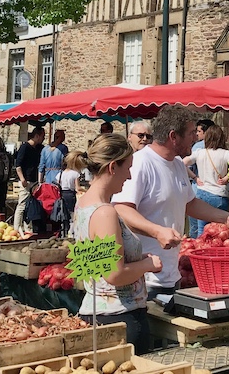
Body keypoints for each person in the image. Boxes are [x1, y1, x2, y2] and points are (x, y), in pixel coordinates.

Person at [113, 105, 229, 296]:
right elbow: (122, 209)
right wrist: (157, 232)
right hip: (144, 279)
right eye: (191, 132)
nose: (195, 137)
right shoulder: (140, 163)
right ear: (173, 136)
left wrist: (225, 217)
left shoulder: (177, 164)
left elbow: (190, 203)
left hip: (170, 275)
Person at [72, 134, 162, 354]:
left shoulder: (83, 204)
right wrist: (148, 264)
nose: (130, 175)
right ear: (113, 167)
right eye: (127, 168)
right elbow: (114, 274)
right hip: (120, 320)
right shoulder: (105, 213)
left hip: (96, 313)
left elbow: (94, 265)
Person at [182, 126, 229, 237]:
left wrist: (194, 177)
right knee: (221, 231)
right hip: (220, 195)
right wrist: (227, 178)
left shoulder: (199, 153)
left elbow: (182, 163)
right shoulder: (227, 154)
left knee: (202, 230)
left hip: (202, 193)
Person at [186, 119, 215, 237]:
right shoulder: (221, 147)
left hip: (198, 190)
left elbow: (186, 166)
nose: (197, 134)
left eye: (198, 131)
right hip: (216, 192)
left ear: (206, 132)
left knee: (197, 229)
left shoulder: (197, 147)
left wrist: (194, 177)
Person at [15, 127, 45, 231]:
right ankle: (17, 228)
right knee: (22, 205)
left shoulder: (38, 148)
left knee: (30, 206)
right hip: (26, 181)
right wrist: (22, 179)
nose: (43, 139)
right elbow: (18, 165)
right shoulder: (25, 147)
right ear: (36, 136)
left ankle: (27, 228)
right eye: (42, 136)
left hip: (34, 181)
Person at [56, 150, 87, 235]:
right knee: (72, 214)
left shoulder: (60, 174)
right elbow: (77, 188)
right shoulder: (75, 174)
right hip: (70, 194)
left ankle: (64, 231)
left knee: (64, 213)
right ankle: (71, 231)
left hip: (61, 194)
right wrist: (86, 191)